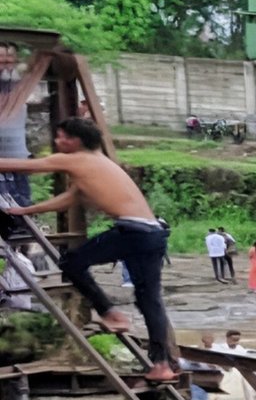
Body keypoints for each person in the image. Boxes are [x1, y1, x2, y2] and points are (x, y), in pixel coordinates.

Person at [0, 118, 179, 380]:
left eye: (61, 137)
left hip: (133, 233)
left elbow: (23, 166)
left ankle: (111, 313)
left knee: (72, 263)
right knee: (149, 299)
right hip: (151, 234)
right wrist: (27, 210)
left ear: (75, 140)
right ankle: (162, 364)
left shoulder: (77, 159)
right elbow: (70, 198)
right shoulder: (98, 162)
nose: (57, 142)